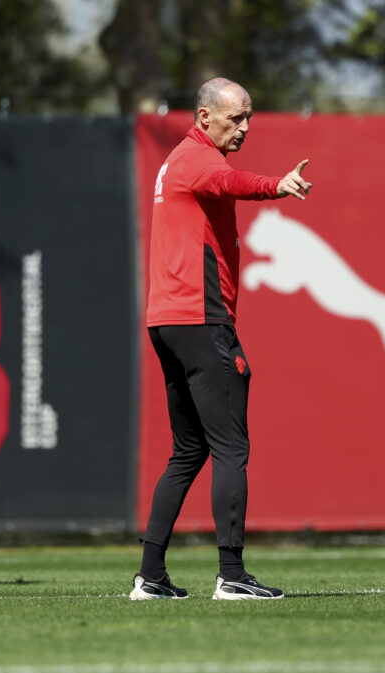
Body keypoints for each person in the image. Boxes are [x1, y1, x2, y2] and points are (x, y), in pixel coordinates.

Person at [131, 77, 313, 601]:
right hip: (201, 320)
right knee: (231, 448)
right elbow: (226, 184)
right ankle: (232, 576)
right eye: (236, 118)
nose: (246, 127)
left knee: (188, 451)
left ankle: (150, 575)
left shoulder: (179, 160)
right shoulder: (198, 159)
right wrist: (276, 185)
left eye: (249, 116)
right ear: (205, 117)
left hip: (168, 321)